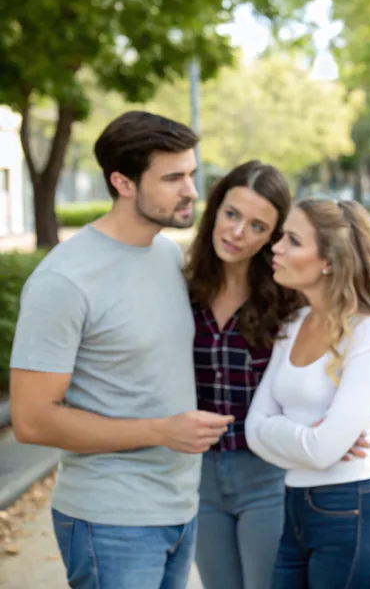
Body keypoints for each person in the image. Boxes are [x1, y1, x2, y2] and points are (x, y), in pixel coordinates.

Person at [9, 111, 235, 589]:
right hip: (111, 518)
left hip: (180, 505)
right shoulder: (63, 281)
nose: (191, 191)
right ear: (123, 182)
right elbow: (31, 420)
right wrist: (160, 430)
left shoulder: (169, 255)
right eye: (172, 178)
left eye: (191, 174)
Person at [244, 198, 370, 589]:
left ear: (329, 260)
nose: (276, 248)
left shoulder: (369, 335)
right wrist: (309, 436)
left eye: (292, 240)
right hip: (294, 511)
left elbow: (322, 450)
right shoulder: (294, 323)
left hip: (351, 513)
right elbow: (253, 430)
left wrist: (296, 436)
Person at [184, 160, 304, 589]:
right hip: (197, 476)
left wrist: (342, 425)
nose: (237, 233)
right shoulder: (182, 287)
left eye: (257, 226)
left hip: (267, 475)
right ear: (215, 208)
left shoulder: (288, 301)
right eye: (232, 214)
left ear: (272, 237)